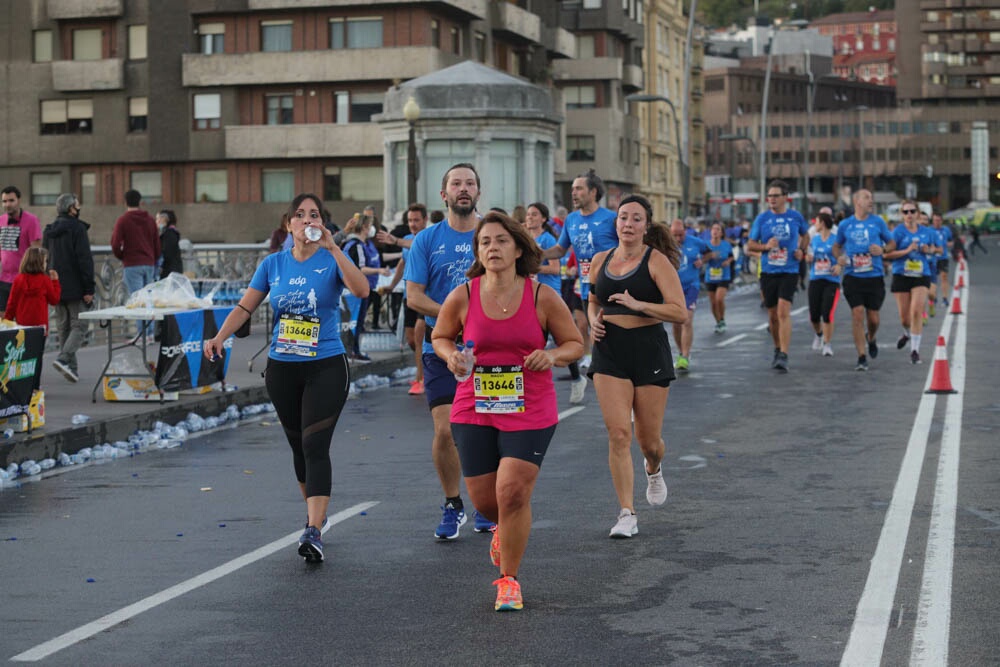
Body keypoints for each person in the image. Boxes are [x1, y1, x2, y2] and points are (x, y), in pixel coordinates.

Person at [204, 193, 369, 563]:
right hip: (283, 367)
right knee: (298, 447)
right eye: (299, 215)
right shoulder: (273, 264)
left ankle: (313, 529)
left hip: (325, 363)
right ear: (288, 224)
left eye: (314, 215)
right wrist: (219, 336)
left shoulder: (331, 259)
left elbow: (361, 290)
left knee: (314, 445)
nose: (306, 220)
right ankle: (315, 517)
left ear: (322, 223)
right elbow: (247, 305)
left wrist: (334, 247)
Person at [432, 211, 583, 612]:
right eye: (485, 242)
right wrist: (451, 357)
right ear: (478, 251)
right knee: (486, 502)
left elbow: (575, 344)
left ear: (518, 248)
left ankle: (509, 581)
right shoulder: (463, 294)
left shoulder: (541, 296)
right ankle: (505, 528)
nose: (492, 248)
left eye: (500, 240)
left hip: (529, 405)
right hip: (474, 404)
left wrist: (550, 355)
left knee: (512, 491)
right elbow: (441, 336)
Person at [404, 163, 495, 539]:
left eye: (469, 183)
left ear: (478, 193)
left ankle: (485, 506)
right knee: (445, 430)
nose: (463, 188)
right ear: (443, 195)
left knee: (484, 431)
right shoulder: (427, 239)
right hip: (440, 348)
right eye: (456, 183)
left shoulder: (492, 235)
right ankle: (453, 503)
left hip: (490, 350)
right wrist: (453, 315)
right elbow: (414, 296)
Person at [587, 195, 686, 538]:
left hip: (648, 352)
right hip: (609, 352)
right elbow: (592, 299)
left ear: (646, 226)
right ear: (616, 223)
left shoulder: (657, 262)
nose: (627, 224)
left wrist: (638, 304)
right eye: (623, 218)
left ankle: (654, 466)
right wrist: (592, 321)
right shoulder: (600, 260)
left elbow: (679, 312)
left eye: (635, 219)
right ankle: (626, 513)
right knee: (618, 433)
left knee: (648, 441)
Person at [542, 169, 619, 403]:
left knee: (613, 336)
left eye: (579, 189)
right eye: (573, 189)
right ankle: (594, 377)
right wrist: (535, 254)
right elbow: (560, 249)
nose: (573, 193)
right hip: (586, 288)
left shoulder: (610, 218)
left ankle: (621, 383)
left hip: (613, 285)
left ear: (593, 192)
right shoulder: (572, 220)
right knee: (588, 331)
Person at [747, 180, 810, 373]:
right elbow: (751, 244)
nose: (772, 199)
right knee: (773, 315)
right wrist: (766, 247)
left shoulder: (795, 217)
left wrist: (801, 250)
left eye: (776, 195)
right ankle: (777, 347)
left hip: (789, 270)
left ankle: (784, 353)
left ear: (785, 198)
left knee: (783, 311)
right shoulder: (762, 219)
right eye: (770, 196)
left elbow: (806, 235)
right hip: (768, 271)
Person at [832, 189, 895, 371]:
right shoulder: (845, 225)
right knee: (857, 313)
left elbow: (892, 244)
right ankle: (861, 356)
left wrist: (883, 250)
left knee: (873, 319)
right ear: (856, 201)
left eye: (871, 197)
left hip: (874, 276)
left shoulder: (878, 222)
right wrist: (839, 258)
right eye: (867, 197)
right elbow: (837, 246)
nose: (871, 200)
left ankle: (871, 337)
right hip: (853, 276)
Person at [43, 194, 95, 384]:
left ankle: (71, 369)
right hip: (75, 285)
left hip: (55, 284)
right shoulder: (78, 228)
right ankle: (64, 358)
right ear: (71, 208)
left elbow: (44, 258)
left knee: (63, 326)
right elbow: (84, 260)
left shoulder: (49, 231)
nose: (79, 207)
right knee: (79, 325)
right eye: (77, 204)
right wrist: (89, 288)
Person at [885, 201, 938, 364]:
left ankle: (915, 350)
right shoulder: (897, 233)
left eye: (912, 211)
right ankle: (906, 333)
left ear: (917, 213)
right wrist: (907, 251)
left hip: (921, 274)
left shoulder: (926, 232)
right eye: (905, 212)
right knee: (905, 319)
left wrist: (928, 250)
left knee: (916, 312)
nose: (909, 215)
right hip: (902, 274)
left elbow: (935, 249)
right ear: (902, 215)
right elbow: (887, 255)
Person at [384, 203, 429, 395]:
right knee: (412, 340)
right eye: (410, 220)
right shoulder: (407, 239)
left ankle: (422, 379)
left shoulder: (428, 237)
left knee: (419, 334)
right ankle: (425, 369)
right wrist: (391, 286)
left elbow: (415, 245)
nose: (412, 224)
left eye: (416, 220)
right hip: (408, 294)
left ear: (425, 220)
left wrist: (395, 240)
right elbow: (402, 263)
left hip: (425, 295)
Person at [342, 214, 390, 362]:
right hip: (356, 291)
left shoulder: (359, 244)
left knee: (356, 321)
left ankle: (353, 350)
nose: (371, 230)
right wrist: (379, 271)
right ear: (364, 228)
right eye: (370, 226)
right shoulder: (356, 245)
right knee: (355, 321)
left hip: (359, 289)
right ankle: (353, 351)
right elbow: (360, 269)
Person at [669, 218, 712, 372]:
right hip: (672, 288)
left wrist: (703, 261)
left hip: (691, 286)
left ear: (685, 232)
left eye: (681, 235)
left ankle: (685, 356)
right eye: (675, 235)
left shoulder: (695, 242)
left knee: (686, 320)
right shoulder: (666, 245)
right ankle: (681, 352)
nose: (678, 239)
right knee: (675, 322)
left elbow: (709, 253)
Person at [0, 186, 43, 311]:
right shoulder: (1, 221)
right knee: (3, 321)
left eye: (11, 200)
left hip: (24, 280)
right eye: (4, 201)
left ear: (19, 200)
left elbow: (37, 252)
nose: (7, 204)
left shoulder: (31, 220)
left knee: (22, 320)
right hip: (3, 280)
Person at [805, 212, 841, 357]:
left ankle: (827, 344)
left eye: (817, 222)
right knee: (814, 316)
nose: (815, 225)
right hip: (816, 279)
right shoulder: (814, 240)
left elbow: (844, 256)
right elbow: (809, 255)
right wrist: (808, 258)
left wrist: (839, 265)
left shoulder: (836, 241)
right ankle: (819, 334)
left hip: (831, 281)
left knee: (827, 314)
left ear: (823, 223)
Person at [522, 202, 562, 294]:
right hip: (533, 290)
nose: (530, 217)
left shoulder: (548, 239)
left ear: (543, 219)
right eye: (528, 215)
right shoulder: (526, 239)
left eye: (534, 215)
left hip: (549, 291)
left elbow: (555, 268)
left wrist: (532, 268)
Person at [705, 222, 735, 334]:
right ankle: (718, 322)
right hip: (710, 276)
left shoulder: (726, 245)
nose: (715, 231)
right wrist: (708, 257)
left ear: (721, 233)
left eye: (717, 229)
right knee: (713, 303)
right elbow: (702, 258)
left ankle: (722, 319)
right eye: (713, 229)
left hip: (724, 275)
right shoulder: (706, 245)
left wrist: (728, 261)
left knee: (719, 299)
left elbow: (732, 256)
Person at [929, 213, 953, 309]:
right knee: (933, 279)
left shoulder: (946, 230)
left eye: (938, 220)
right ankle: (934, 297)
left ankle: (945, 298)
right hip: (933, 258)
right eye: (935, 220)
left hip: (943, 257)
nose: (937, 222)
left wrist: (947, 244)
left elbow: (951, 241)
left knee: (944, 277)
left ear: (941, 221)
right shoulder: (929, 230)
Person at [156, 209, 183, 279]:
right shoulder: (168, 233)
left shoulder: (170, 234)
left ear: (165, 219)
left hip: (170, 270)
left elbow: (167, 253)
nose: (156, 221)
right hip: (171, 269)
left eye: (158, 219)